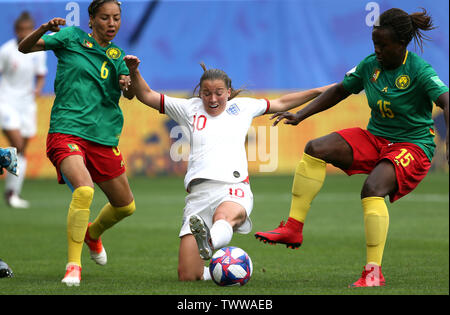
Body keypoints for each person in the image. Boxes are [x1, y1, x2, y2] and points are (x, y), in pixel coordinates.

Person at [255, 8, 449, 287]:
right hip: (376, 139)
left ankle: (373, 272)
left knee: (372, 188)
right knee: (315, 148)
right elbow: (339, 91)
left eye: (383, 45)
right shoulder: (370, 65)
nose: (377, 51)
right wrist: (301, 115)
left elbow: (447, 101)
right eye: (375, 44)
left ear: (401, 45)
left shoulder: (419, 70)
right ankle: (293, 228)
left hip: (412, 146)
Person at [124, 54, 334, 281]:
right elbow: (145, 95)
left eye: (219, 93)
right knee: (188, 275)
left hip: (233, 187)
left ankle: (210, 241)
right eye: (206, 93)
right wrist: (134, 70)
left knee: (224, 217)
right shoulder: (189, 108)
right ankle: (218, 269)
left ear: (229, 92)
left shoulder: (242, 107)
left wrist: (322, 90)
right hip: (199, 195)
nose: (212, 99)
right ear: (200, 92)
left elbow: (282, 102)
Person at [18, 0, 137, 286]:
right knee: (84, 191)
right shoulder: (70, 38)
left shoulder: (117, 54)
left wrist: (128, 78)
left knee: (126, 207)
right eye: (106, 18)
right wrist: (45, 28)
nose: (112, 24)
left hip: (103, 138)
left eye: (117, 18)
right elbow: (24, 48)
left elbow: (130, 95)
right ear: (92, 19)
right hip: (67, 131)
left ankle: (92, 234)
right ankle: (73, 266)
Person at [0, 12, 47, 208]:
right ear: (16, 30)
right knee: (17, 144)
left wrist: (37, 89)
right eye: (22, 30)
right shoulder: (6, 51)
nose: (25, 33)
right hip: (6, 101)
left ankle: (12, 193)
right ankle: (12, 194)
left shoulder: (39, 51)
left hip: (27, 104)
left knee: (21, 151)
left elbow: (41, 75)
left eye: (29, 30)